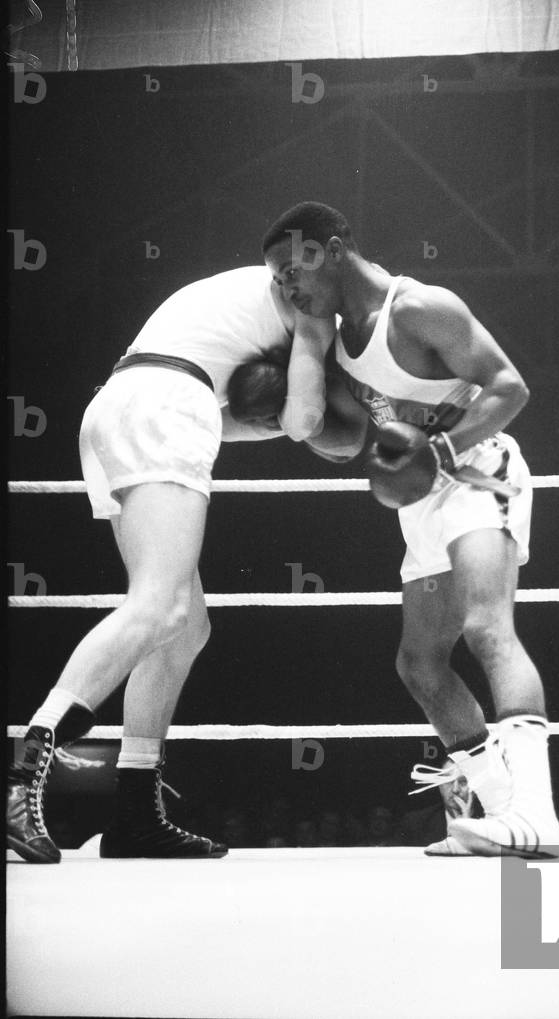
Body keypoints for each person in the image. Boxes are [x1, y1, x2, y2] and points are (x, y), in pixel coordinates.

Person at [6, 265, 362, 864]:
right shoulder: (321, 304)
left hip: (126, 404)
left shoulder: (246, 307)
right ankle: (21, 777)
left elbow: (238, 423)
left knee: (185, 626)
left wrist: (284, 415)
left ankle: (135, 814)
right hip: (167, 406)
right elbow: (315, 427)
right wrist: (321, 417)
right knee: (158, 606)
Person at [260, 201, 559, 857]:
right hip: (421, 500)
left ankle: (537, 815)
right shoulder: (336, 340)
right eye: (277, 277)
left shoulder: (421, 308)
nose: (287, 286)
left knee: (487, 628)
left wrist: (440, 453)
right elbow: (332, 438)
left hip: (478, 471)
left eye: (292, 268)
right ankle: (498, 814)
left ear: (332, 250)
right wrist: (297, 380)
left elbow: (509, 388)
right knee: (420, 664)